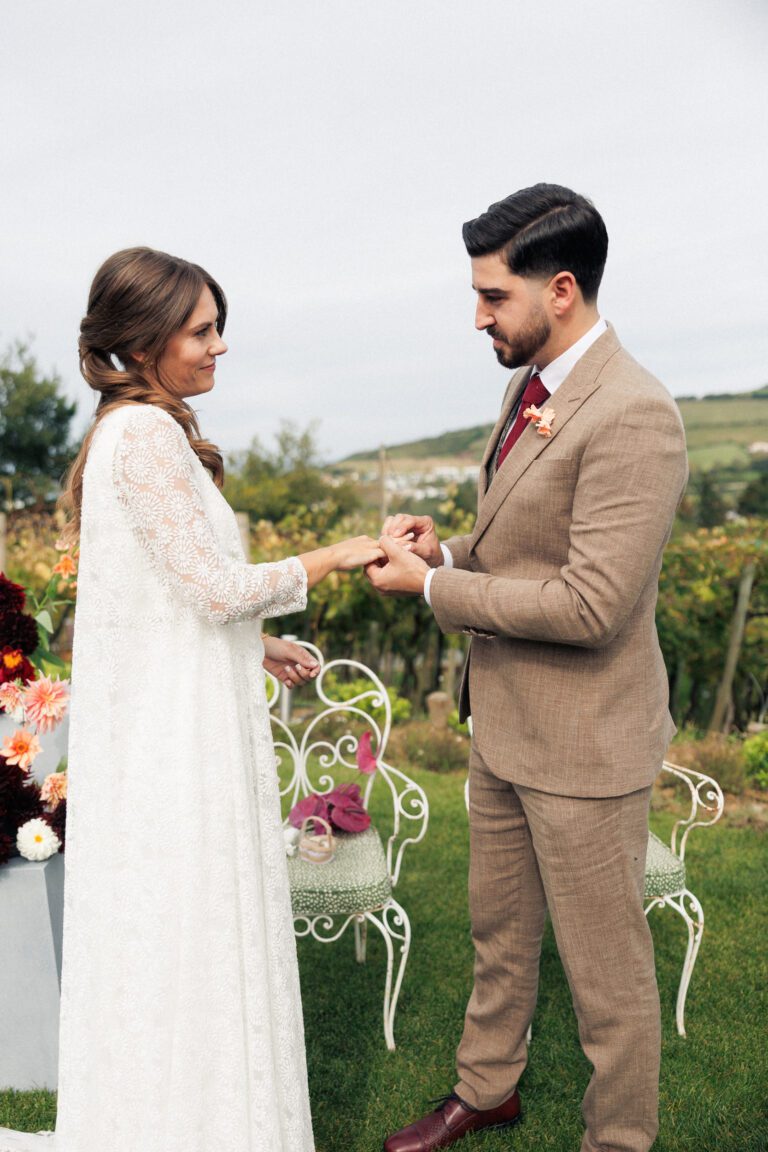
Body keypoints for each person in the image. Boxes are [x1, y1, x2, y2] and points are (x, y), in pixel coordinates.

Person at [0, 247, 383, 1152]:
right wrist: (332, 556)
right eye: (201, 330)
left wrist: (259, 643)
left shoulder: (141, 433)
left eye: (219, 329)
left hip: (179, 723)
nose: (218, 348)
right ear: (141, 341)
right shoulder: (142, 437)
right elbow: (212, 588)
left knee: (185, 940)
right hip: (175, 745)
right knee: (186, 935)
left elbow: (170, 599)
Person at [366, 185, 688, 1152]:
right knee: (498, 937)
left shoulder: (637, 414)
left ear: (559, 289)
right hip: (504, 726)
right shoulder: (527, 387)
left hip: (588, 744)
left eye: (491, 298)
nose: (477, 318)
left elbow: (590, 606)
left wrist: (430, 591)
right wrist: (454, 551)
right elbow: (526, 546)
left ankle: (617, 1140)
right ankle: (487, 1090)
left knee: (608, 976)